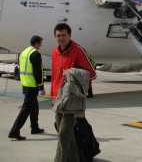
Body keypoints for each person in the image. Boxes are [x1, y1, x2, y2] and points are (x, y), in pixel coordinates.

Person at [50, 23, 96, 162]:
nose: (61, 38)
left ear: (70, 35)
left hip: (72, 100)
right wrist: (53, 95)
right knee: (62, 132)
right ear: (55, 37)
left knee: (64, 134)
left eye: (64, 35)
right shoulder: (54, 52)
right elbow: (54, 76)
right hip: (59, 99)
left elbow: (92, 74)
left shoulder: (78, 51)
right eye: (58, 36)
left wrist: (72, 73)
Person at [8, 35, 46, 140]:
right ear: (37, 44)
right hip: (32, 85)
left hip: (25, 83)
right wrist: (41, 87)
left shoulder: (24, 52)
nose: (41, 45)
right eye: (41, 44)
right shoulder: (35, 54)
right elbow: (37, 72)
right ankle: (14, 131)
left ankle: (34, 127)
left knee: (34, 107)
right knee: (26, 109)